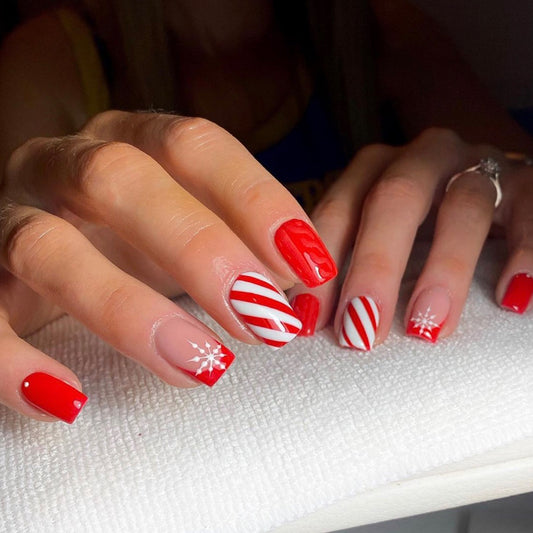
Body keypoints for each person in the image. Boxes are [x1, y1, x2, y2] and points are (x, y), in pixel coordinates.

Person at [1, 0, 532, 424]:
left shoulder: (383, 28)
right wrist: (29, 254)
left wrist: (491, 171)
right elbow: (24, 245)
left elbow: (514, 166)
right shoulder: (51, 58)